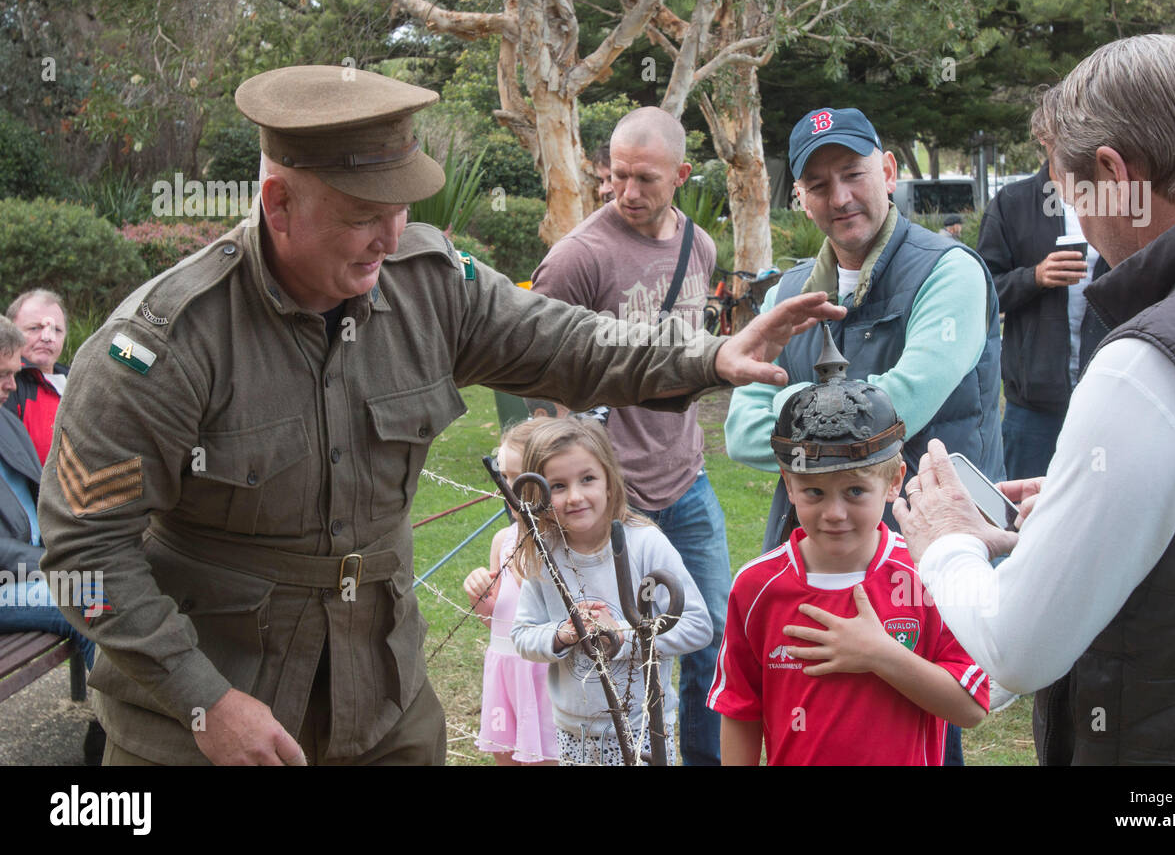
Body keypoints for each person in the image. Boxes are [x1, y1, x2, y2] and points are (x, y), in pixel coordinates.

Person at [38, 64, 843, 766]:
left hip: (379, 698)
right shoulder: (165, 345)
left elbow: (572, 342)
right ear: (277, 204)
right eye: (361, 213)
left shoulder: (426, 284)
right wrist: (202, 699)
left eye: (402, 208)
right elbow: (83, 551)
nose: (390, 237)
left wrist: (708, 356)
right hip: (211, 716)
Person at [894, 33, 1175, 765]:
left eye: (1077, 196)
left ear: (1114, 174)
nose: (1081, 224)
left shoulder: (1150, 369)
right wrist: (1094, 514)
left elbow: (1017, 649)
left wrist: (946, 540)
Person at [531, 107, 728, 765]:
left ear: (682, 174)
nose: (629, 193)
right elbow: (542, 390)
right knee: (621, 658)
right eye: (617, 177)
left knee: (710, 640)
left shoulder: (699, 246)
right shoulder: (576, 258)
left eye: (646, 178)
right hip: (617, 502)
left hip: (689, 482)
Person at [725, 107, 1004, 555]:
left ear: (889, 171)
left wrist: (783, 402)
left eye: (854, 173)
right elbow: (740, 434)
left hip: (937, 554)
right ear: (799, 196)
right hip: (814, 558)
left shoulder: (949, 272)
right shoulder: (786, 294)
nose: (839, 198)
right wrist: (834, 418)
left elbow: (898, 409)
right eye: (817, 184)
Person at [708, 328, 988, 765]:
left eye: (855, 491)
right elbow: (741, 709)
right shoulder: (756, 586)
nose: (834, 512)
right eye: (814, 493)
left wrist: (879, 655)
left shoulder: (927, 574)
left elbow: (970, 706)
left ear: (893, 482)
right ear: (789, 485)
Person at [510, 417, 711, 765]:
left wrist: (621, 638)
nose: (575, 496)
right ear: (538, 493)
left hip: (643, 727)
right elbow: (522, 634)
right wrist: (561, 633)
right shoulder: (546, 554)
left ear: (608, 482)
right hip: (574, 730)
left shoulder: (644, 544)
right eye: (557, 485)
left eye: (587, 479)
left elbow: (697, 627)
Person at [0, 316, 101, 762]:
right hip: (13, 577)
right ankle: (112, 736)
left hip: (37, 565)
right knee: (97, 598)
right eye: (3, 373)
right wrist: (56, 561)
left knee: (126, 578)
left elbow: (45, 497)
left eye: (13, 371)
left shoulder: (6, 420)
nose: (13, 382)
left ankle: (113, 725)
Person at [976, 164, 1110, 479]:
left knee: (1099, 511)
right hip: (1035, 406)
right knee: (1023, 516)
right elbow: (981, 290)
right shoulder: (1013, 202)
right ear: (1043, 136)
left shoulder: (1120, 197)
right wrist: (1034, 277)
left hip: (1106, 396)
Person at [463, 420, 558, 765]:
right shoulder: (502, 542)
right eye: (502, 478)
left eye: (520, 480)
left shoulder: (563, 547)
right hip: (506, 677)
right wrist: (481, 598)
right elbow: (497, 620)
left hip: (546, 680)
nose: (508, 491)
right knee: (506, 758)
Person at [3, 289, 69, 465]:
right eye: (34, 328)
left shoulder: (80, 382)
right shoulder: (8, 384)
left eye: (57, 330)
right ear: (11, 332)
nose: (47, 337)